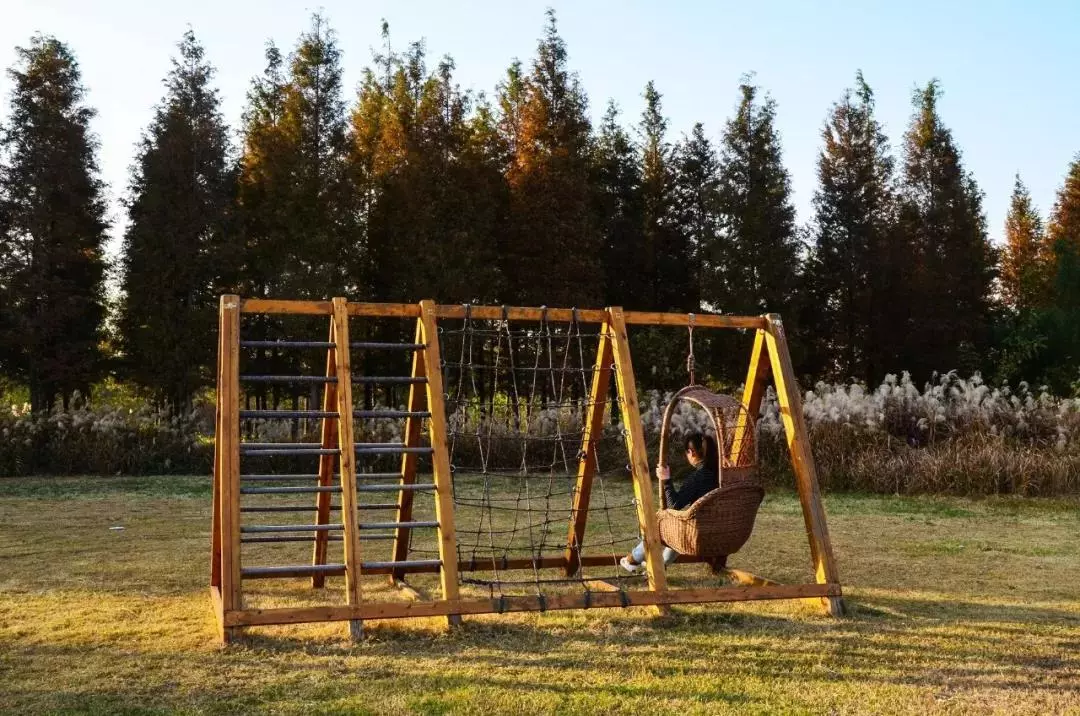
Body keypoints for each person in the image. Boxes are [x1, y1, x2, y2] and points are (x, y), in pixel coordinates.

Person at [619, 432, 719, 574]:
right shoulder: (721, 475)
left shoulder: (698, 477)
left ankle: (633, 560)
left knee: (661, 524)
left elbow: (675, 504)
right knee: (679, 526)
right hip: (720, 531)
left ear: (691, 452)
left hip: (696, 534)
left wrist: (666, 480)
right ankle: (662, 564)